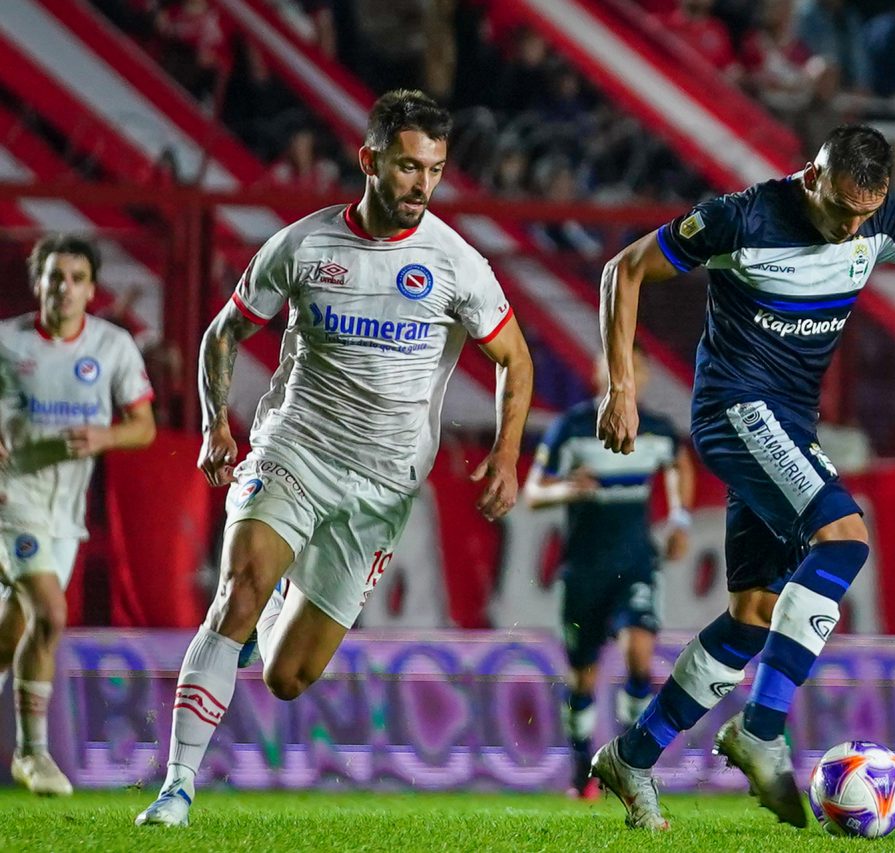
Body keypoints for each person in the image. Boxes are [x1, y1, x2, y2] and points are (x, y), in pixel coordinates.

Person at [590, 124, 895, 830]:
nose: (852, 227)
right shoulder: (742, 218)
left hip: (789, 426)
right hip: (735, 409)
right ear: (813, 176)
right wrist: (621, 387)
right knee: (844, 539)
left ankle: (632, 756)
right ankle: (761, 730)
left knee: (754, 614)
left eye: (865, 214)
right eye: (843, 210)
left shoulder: (879, 218)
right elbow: (624, 269)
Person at [135, 89, 534, 827]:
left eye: (435, 170)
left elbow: (514, 356)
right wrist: (215, 425)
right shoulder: (304, 246)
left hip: (382, 487)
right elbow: (223, 333)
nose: (422, 185)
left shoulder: (455, 262)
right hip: (295, 449)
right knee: (238, 591)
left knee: (288, 676)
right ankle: (177, 787)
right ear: (369, 160)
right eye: (409, 167)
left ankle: (276, 606)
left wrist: (507, 455)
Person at [0, 234, 156, 796]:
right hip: (12, 501)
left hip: (66, 514)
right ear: (38, 283)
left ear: (92, 290)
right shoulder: (6, 341)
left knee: (15, 633)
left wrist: (105, 436)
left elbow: (144, 427)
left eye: (76, 278)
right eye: (55, 277)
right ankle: (32, 754)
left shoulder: (112, 347)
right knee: (50, 613)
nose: (64, 288)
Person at [524, 347, 695, 800]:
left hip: (636, 564)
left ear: (645, 376)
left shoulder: (655, 429)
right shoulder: (572, 427)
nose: (625, 375)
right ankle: (582, 770)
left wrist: (679, 519)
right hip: (583, 571)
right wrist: (567, 489)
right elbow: (533, 493)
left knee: (640, 654)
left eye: (634, 368)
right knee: (582, 676)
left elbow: (679, 463)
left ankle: (630, 760)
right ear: (600, 373)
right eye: (616, 366)